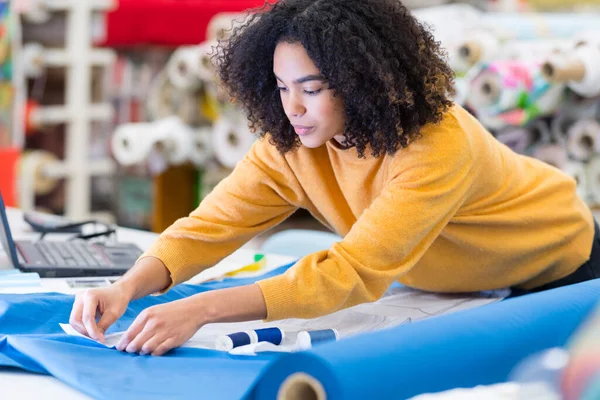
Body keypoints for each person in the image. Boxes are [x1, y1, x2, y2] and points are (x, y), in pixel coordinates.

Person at [70, 0, 598, 356]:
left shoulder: (437, 141)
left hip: (564, 265)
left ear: (362, 81)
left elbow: (351, 273)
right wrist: (128, 286)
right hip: (465, 285)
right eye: (280, 87)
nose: (293, 107)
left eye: (313, 87)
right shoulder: (292, 143)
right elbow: (211, 226)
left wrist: (201, 310)